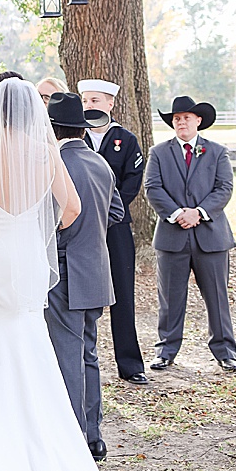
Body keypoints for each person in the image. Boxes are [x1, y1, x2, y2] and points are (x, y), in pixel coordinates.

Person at [0, 78, 228, 471]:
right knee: (30, 352)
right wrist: (28, 229)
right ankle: (43, 450)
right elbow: (69, 211)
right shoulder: (46, 153)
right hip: (27, 265)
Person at [46, 92, 123, 461]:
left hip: (64, 269)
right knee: (88, 354)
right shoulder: (100, 163)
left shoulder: (53, 165)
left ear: (53, 128)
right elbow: (117, 213)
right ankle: (94, 436)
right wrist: (91, 234)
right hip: (96, 269)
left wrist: (65, 240)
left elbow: (47, 219)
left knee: (67, 356)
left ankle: (74, 438)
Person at [144, 95, 236, 372]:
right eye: (176, 118)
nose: (181, 121)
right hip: (172, 236)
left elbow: (224, 188)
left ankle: (225, 351)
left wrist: (198, 212)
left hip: (211, 235)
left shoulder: (217, 152)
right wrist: (177, 214)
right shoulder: (159, 152)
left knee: (217, 297)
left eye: (186, 117)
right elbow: (153, 187)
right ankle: (166, 350)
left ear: (198, 121)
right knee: (170, 297)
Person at [78, 78, 148, 385]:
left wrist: (106, 209)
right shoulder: (75, 136)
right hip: (79, 225)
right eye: (85, 101)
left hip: (116, 225)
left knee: (123, 293)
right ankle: (77, 360)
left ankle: (130, 365)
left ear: (110, 104)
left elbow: (131, 181)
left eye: (95, 100)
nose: (89, 106)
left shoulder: (125, 139)